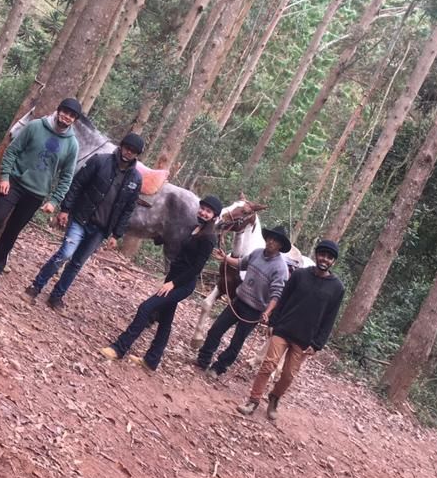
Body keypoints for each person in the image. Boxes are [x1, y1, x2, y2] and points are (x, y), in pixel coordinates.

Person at [0, 99, 81, 291]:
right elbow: (12, 151)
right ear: (58, 111)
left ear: (74, 120)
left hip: (37, 194)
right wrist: (5, 177)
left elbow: (67, 177)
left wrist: (54, 200)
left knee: (12, 232)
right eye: (65, 112)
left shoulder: (72, 145)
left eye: (72, 116)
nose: (67, 117)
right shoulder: (35, 126)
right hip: (14, 183)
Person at [100, 194, 224, 371]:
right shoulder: (195, 228)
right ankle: (152, 360)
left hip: (183, 284)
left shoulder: (209, 238)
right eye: (202, 208)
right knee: (165, 320)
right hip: (172, 277)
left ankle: (119, 348)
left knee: (146, 308)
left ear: (215, 216)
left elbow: (196, 269)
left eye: (208, 211)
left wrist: (172, 284)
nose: (203, 212)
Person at [25, 132, 144, 310]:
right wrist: (65, 209)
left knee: (77, 263)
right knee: (65, 254)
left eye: (133, 151)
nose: (128, 152)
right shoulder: (100, 160)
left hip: (101, 229)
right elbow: (77, 183)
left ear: (136, 155)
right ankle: (37, 285)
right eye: (127, 148)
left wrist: (116, 234)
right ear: (121, 146)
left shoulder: (135, 179)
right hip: (81, 218)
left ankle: (56, 296)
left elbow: (127, 209)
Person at [238, 239, 345, 422]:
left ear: (333, 261)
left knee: (288, 375)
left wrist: (318, 343)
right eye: (322, 254)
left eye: (329, 257)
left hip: (305, 339)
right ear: (316, 255)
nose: (324, 259)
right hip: (283, 329)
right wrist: (273, 322)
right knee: (268, 365)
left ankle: (274, 398)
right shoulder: (299, 275)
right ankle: (253, 400)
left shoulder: (337, 288)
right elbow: (283, 299)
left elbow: (330, 318)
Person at [195, 224, 290, 378]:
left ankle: (218, 368)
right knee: (216, 329)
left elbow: (277, 294)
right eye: (270, 238)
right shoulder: (257, 253)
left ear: (280, 245)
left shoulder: (280, 269)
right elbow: (241, 263)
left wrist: (267, 312)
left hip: (254, 311)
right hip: (239, 300)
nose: (271, 242)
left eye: (276, 241)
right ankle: (203, 359)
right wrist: (225, 258)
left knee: (236, 342)